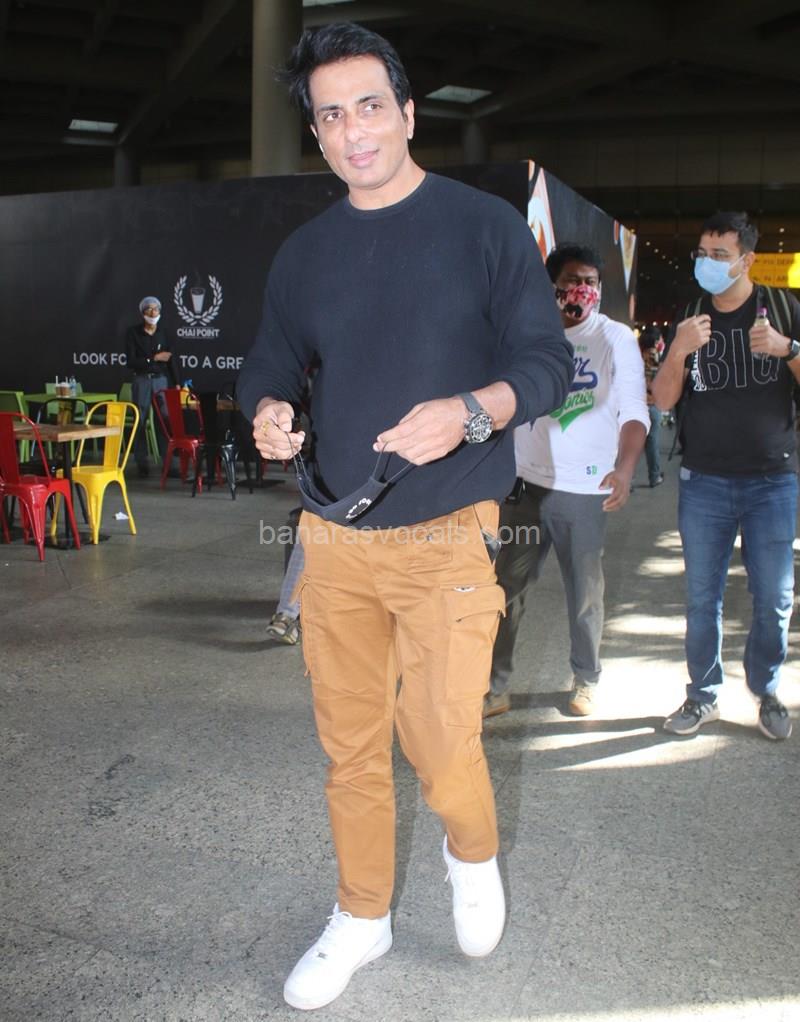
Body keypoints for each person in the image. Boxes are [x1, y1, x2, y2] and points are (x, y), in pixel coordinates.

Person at [237, 22, 573, 1012]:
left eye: (370, 107)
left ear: (408, 113)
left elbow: (546, 364)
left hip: (446, 530)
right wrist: (268, 408)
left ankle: (471, 851)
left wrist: (472, 410)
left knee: (437, 738)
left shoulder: (483, 228)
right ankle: (361, 914)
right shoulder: (305, 253)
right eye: (331, 116)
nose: (354, 130)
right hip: (335, 536)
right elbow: (268, 359)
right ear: (317, 133)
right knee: (348, 745)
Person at [484, 243, 648, 719]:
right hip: (524, 488)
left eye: (591, 282)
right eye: (572, 281)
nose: (582, 290)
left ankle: (586, 678)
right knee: (506, 590)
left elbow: (635, 410)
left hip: (585, 491)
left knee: (585, 594)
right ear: (551, 286)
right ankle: (494, 686)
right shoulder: (526, 332)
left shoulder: (615, 339)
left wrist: (625, 468)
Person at [652, 210, 800, 741]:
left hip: (773, 482)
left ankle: (766, 689)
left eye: (720, 255)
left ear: (747, 260)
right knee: (701, 599)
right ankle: (703, 695)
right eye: (703, 253)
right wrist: (678, 349)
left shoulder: (782, 309)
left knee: (774, 598)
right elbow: (662, 400)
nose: (708, 263)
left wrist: (788, 349)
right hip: (705, 482)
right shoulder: (691, 316)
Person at [124, 296, 176, 477]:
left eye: (156, 309)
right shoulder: (133, 333)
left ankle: (169, 463)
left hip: (161, 380)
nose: (153, 313)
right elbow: (131, 361)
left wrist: (177, 383)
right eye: (149, 309)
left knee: (165, 421)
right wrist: (153, 358)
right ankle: (141, 463)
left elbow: (171, 359)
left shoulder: (164, 332)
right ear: (142, 312)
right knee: (140, 421)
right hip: (142, 380)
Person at [638, 325, 664, 487]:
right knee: (652, 442)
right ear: (655, 340)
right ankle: (654, 477)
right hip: (652, 404)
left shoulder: (635, 355)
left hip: (635, 404)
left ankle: (627, 480)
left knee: (630, 444)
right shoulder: (657, 357)